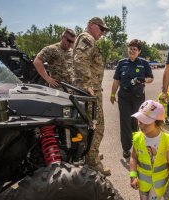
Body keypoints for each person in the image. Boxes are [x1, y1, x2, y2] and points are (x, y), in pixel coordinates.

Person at [72, 17, 111, 176]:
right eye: (101, 29)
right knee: (97, 127)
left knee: (89, 126)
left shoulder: (85, 39)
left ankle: (91, 154)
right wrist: (87, 84)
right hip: (89, 91)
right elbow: (80, 60)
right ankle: (92, 163)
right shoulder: (87, 38)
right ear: (92, 25)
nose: (102, 33)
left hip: (88, 91)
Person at [110, 39, 154, 158]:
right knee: (125, 122)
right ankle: (126, 148)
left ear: (139, 51)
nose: (132, 50)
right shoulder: (121, 63)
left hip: (138, 97)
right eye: (130, 48)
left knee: (137, 121)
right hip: (124, 96)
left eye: (134, 49)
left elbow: (151, 78)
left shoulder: (144, 63)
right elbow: (116, 80)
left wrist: (143, 79)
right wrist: (112, 94)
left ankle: (137, 145)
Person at [130, 100, 169, 200]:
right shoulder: (137, 138)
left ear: (158, 123)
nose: (141, 125)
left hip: (159, 184)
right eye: (140, 121)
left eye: (146, 123)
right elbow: (133, 157)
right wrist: (133, 176)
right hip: (143, 183)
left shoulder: (168, 140)